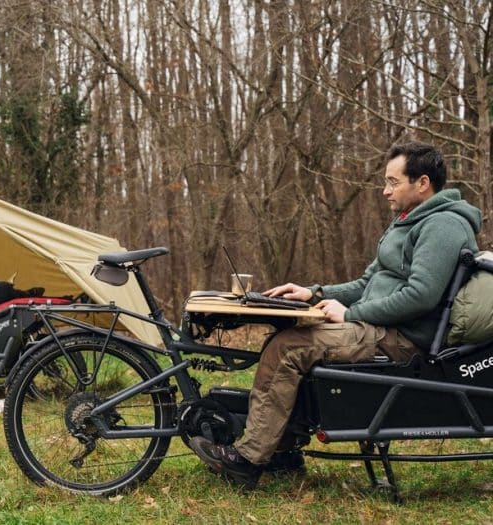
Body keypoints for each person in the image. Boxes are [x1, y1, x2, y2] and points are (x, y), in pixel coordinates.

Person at [189, 142, 481, 489]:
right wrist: (315, 293)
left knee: (289, 347)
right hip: (379, 326)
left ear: (422, 183)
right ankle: (282, 451)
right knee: (284, 340)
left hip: (403, 339)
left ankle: (250, 459)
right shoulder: (407, 222)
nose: (385, 191)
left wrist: (350, 313)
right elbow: (367, 282)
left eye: (393, 182)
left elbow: (421, 296)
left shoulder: (443, 226)